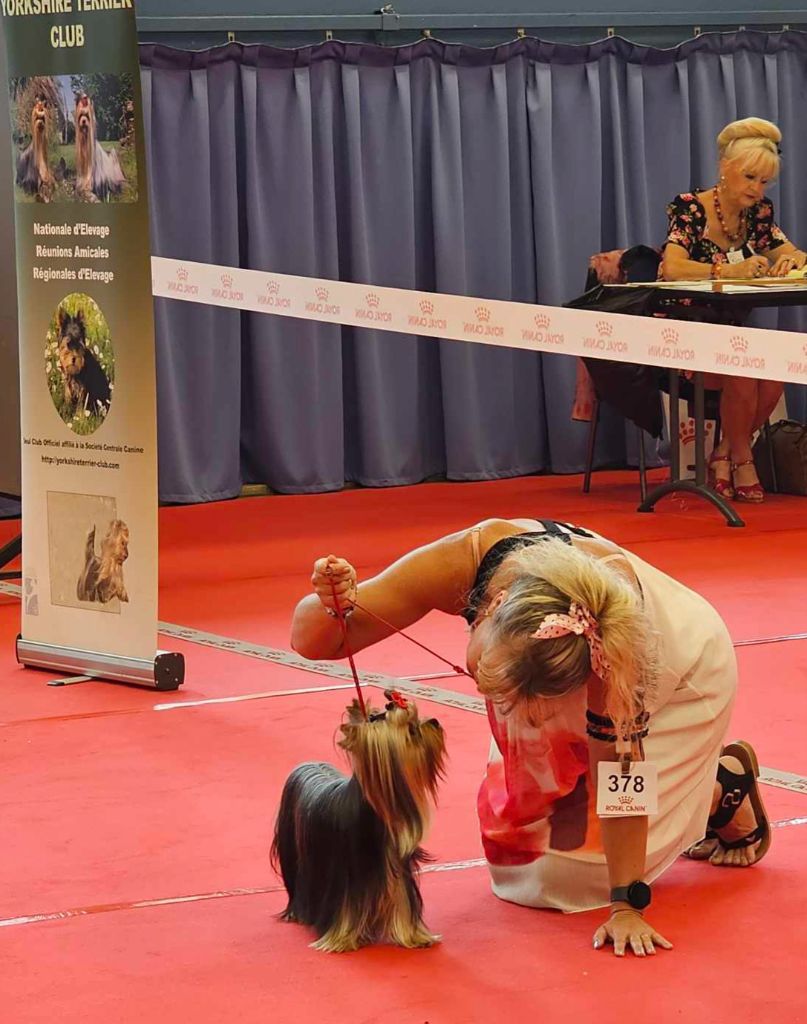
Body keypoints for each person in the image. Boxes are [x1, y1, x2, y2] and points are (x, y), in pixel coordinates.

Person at [290, 517, 771, 958]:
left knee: (570, 878)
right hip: (552, 678)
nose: (485, 693)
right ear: (494, 606)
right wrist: (330, 602)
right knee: (517, 855)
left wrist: (627, 904)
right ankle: (677, 786)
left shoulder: (615, 657)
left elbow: (623, 779)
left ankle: (715, 790)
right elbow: (311, 640)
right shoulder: (463, 561)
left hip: (681, 678)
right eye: (486, 674)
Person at [660, 116, 807, 503]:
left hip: (729, 329)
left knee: (773, 367)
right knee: (741, 364)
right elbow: (672, 267)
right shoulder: (690, 209)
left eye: (765, 181)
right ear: (725, 168)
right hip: (681, 332)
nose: (757, 189)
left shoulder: (758, 214)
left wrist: (790, 261)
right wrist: (726, 270)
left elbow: (794, 253)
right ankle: (742, 459)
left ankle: (724, 452)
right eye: (750, 177)